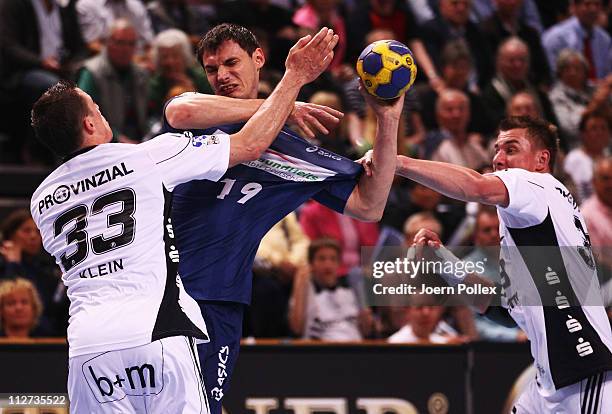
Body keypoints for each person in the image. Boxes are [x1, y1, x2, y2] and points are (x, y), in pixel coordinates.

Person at [28, 26, 338, 413]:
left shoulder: (41, 201)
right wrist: (292, 82)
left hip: (88, 346)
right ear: (90, 125)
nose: (102, 111)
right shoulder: (144, 158)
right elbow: (249, 145)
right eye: (96, 107)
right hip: (157, 330)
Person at [163, 23, 403, 413]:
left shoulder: (292, 151)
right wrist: (284, 101)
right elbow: (180, 109)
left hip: (221, 297)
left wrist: (389, 119)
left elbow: (369, 206)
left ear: (258, 58)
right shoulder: (203, 120)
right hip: (165, 294)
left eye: (231, 63)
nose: (221, 76)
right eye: (211, 69)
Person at [362, 115, 612, 411]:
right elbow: (499, 307)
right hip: (550, 384)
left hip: (584, 373)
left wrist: (396, 162)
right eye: (496, 149)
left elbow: (476, 186)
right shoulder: (532, 228)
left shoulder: (538, 184)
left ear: (541, 160)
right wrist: (444, 262)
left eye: (511, 149)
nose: (498, 158)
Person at [77, 19, 149, 144]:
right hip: (106, 143)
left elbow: (150, 112)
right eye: (120, 43)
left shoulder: (141, 74)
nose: (125, 49)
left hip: (141, 141)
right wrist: (118, 139)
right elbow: (87, 117)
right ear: (107, 43)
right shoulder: (92, 72)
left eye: (131, 44)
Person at [288, 238, 374, 340]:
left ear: (339, 264)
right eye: (322, 259)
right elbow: (296, 329)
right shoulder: (304, 291)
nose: (328, 265)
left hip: (356, 348)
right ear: (311, 264)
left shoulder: (350, 290)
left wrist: (365, 309)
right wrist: (299, 284)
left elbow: (367, 331)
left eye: (333, 259)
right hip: (321, 351)